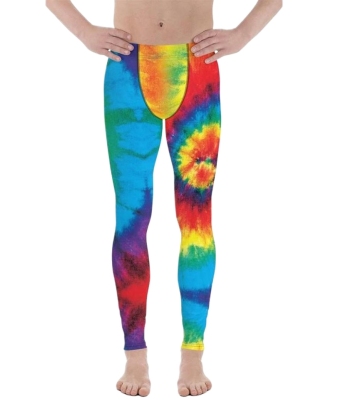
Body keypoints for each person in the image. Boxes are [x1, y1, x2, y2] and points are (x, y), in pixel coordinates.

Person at [45, 0, 282, 397]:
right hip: (127, 71)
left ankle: (193, 353)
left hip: (197, 69)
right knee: (131, 219)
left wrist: (242, 34)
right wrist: (85, 31)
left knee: (196, 220)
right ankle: (134, 354)